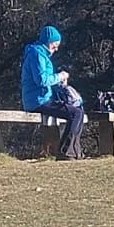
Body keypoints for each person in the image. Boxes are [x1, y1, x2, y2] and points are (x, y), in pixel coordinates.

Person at [21, 24, 85, 159]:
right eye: (54, 46)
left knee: (78, 110)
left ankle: (75, 151)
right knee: (75, 114)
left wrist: (60, 84)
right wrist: (60, 76)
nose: (56, 49)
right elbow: (41, 80)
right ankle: (65, 152)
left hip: (43, 99)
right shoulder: (37, 54)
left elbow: (46, 80)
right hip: (38, 101)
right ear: (48, 42)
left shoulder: (40, 54)